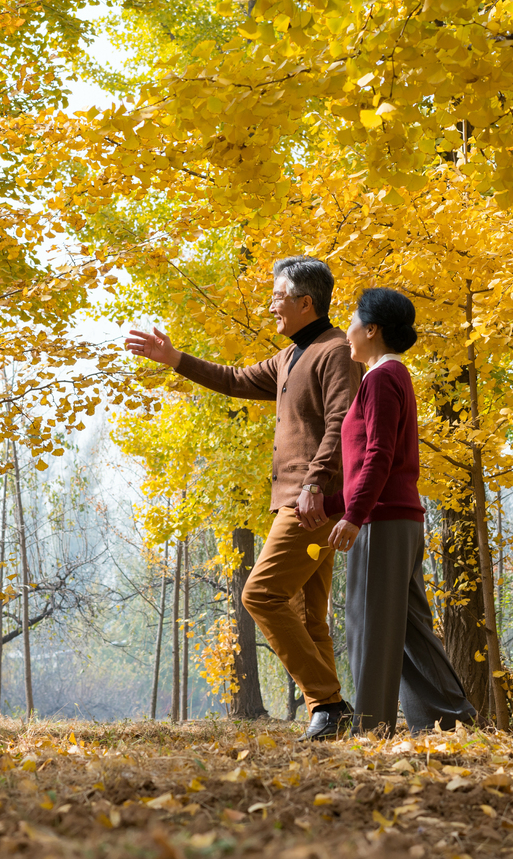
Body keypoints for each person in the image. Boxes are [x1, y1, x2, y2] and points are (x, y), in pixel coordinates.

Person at [126, 257, 363, 740]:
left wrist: (315, 482)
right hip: (299, 499)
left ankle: (330, 704)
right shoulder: (290, 356)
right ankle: (334, 712)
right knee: (307, 614)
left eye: (278, 296)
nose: (270, 305)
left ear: (305, 301)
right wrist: (175, 360)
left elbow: (342, 421)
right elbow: (234, 379)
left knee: (260, 594)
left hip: (312, 499)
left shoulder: (335, 351)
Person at [318, 288, 476, 735]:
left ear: (371, 329)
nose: (346, 331)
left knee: (368, 630)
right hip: (396, 518)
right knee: (410, 635)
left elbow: (380, 453)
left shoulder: (381, 378)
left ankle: (369, 731)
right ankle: (452, 722)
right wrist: (331, 505)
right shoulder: (391, 376)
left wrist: (353, 515)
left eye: (351, 321)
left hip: (382, 521)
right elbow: (381, 463)